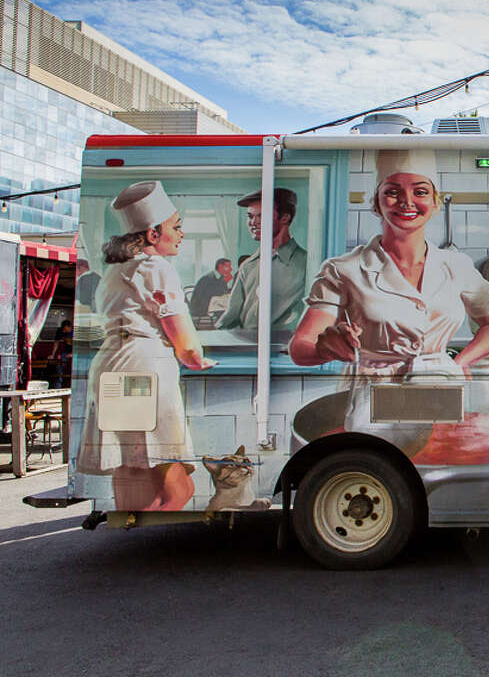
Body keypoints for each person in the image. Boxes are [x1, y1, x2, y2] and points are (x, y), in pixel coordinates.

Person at [289, 150, 489, 443]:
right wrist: (325, 345)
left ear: (434, 203)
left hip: (439, 387)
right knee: (381, 464)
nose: (407, 201)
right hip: (376, 396)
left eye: (420, 191)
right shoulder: (344, 269)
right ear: (376, 203)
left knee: (439, 463)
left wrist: (460, 362)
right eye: (392, 192)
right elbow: (300, 347)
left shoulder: (456, 266)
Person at [76, 181, 216, 511]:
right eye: (176, 228)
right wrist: (199, 360)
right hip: (142, 369)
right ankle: (156, 547)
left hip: (111, 366)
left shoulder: (113, 271)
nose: (181, 234)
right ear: (153, 234)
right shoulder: (156, 268)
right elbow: (188, 347)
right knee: (177, 487)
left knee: (131, 471)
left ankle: (132, 533)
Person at [218, 188, 307, 330]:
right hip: (247, 348)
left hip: (286, 348)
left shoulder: (306, 263)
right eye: (250, 216)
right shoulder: (248, 266)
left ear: (285, 218)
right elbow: (231, 317)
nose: (253, 223)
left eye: (261, 216)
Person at [44, 319, 73, 388]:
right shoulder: (60, 331)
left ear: (70, 327)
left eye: (66, 329)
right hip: (66, 352)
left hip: (76, 352)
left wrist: (73, 354)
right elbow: (56, 343)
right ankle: (57, 386)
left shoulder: (75, 332)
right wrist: (53, 354)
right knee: (59, 364)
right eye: (63, 329)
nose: (64, 331)